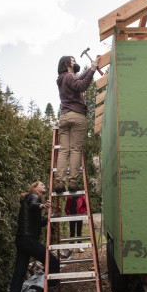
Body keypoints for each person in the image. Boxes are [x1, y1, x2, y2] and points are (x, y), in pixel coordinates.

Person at [8, 181, 67, 292]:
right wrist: (41, 206)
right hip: (29, 239)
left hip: (21, 239)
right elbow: (34, 205)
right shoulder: (33, 196)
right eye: (41, 185)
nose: (44, 186)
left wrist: (54, 215)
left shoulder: (27, 199)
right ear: (34, 187)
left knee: (20, 269)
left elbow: (39, 222)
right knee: (53, 262)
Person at [55, 54, 101, 193]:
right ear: (66, 64)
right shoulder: (69, 76)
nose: (75, 63)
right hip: (76, 116)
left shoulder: (62, 79)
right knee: (75, 150)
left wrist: (92, 67)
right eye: (73, 61)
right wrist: (92, 70)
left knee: (64, 150)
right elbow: (81, 85)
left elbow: (78, 78)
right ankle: (73, 182)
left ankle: (60, 183)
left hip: (64, 117)